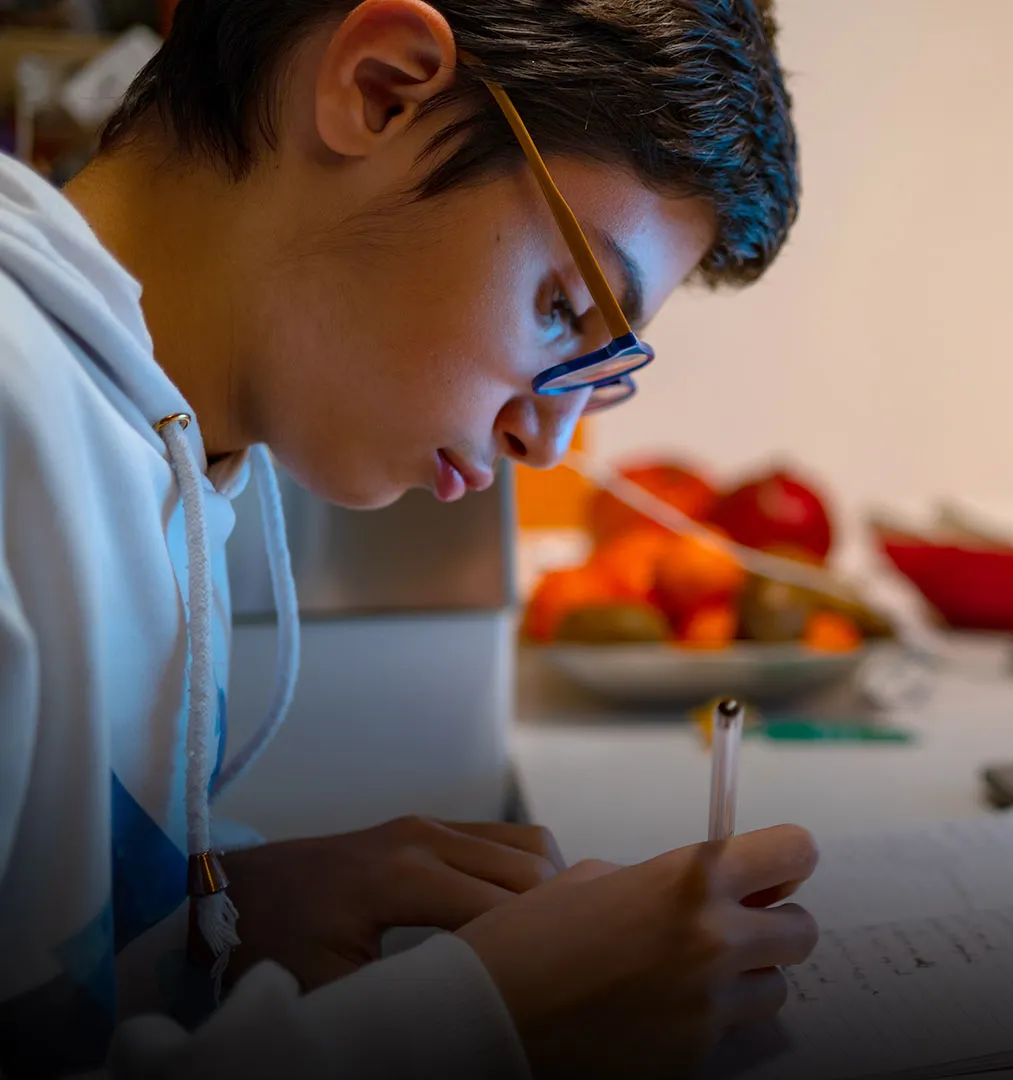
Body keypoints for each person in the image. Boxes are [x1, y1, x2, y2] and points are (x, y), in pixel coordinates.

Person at [0, 1, 819, 1075]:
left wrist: (190, 924)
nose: (547, 438)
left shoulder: (154, 446)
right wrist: (489, 1021)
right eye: (564, 312)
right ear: (382, 88)